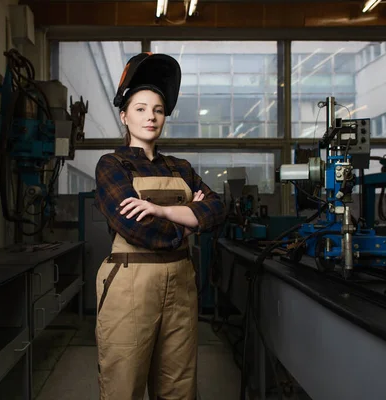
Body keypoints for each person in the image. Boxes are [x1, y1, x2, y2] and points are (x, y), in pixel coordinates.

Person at [94, 52, 226, 400]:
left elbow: (216, 209)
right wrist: (188, 221)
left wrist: (160, 211)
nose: (150, 116)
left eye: (157, 109)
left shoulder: (179, 167)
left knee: (179, 385)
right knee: (124, 382)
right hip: (130, 283)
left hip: (182, 284)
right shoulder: (112, 165)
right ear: (124, 116)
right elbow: (137, 228)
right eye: (140, 108)